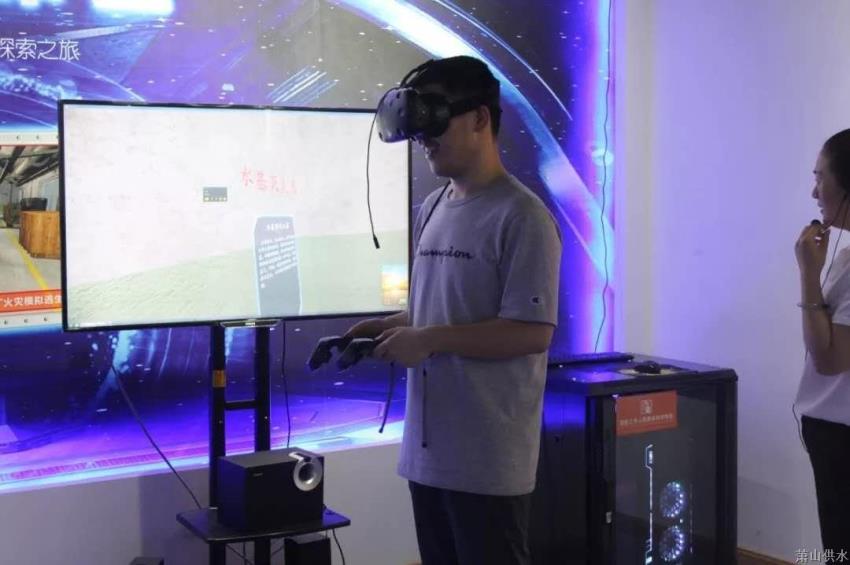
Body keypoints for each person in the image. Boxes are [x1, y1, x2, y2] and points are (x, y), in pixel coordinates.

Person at [345, 55, 562, 565]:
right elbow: (437, 310)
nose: (424, 138)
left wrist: (428, 340)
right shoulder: (433, 208)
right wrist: (384, 329)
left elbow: (532, 332)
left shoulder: (522, 217)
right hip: (427, 458)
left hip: (488, 463)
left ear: (480, 118)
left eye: (434, 119)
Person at [794, 129, 850, 554]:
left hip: (841, 435)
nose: (815, 192)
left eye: (821, 178)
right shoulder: (846, 257)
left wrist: (809, 274)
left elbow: (830, 359)